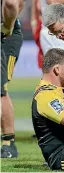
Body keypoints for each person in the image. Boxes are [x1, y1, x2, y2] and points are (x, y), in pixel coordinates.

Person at [1, 0, 24, 158]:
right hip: (7, 29)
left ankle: (9, 142)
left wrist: (6, 28)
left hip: (5, 36)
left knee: (1, 90)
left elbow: (12, 4)